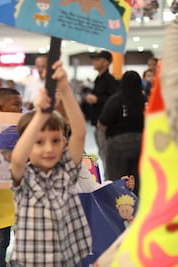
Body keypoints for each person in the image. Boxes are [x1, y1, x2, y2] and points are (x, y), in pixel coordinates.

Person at [9, 60, 92, 267]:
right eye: (38, 142)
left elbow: (80, 133)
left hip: (65, 260)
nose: (49, 149)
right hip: (30, 262)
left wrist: (65, 89)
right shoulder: (25, 177)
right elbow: (18, 158)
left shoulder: (66, 170)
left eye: (56, 141)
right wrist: (41, 115)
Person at [97, 70, 146, 197]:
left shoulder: (115, 100)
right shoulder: (145, 100)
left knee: (117, 179)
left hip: (117, 146)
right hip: (142, 145)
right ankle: (138, 211)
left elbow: (102, 123)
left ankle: (120, 209)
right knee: (140, 181)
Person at [0, 88, 22, 267]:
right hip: (0, 197)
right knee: (1, 240)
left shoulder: (25, 128)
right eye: (16, 105)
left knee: (23, 238)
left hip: (20, 194)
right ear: (0, 108)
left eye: (21, 104)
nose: (20, 109)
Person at [84, 50, 118, 179]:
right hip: (97, 123)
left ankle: (109, 180)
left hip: (104, 124)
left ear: (105, 62)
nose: (94, 62)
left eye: (97, 59)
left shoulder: (109, 80)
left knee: (106, 155)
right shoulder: (99, 78)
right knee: (103, 153)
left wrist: (97, 99)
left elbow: (113, 99)